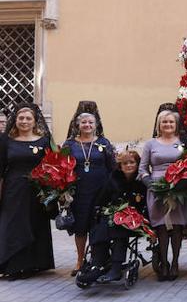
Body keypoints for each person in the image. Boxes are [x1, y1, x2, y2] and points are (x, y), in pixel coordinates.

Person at [0, 104, 54, 279]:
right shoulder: (5, 141)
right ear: (15, 121)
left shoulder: (44, 140)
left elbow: (53, 166)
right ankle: (13, 266)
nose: (24, 121)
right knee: (13, 225)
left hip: (38, 190)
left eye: (28, 118)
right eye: (21, 118)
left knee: (35, 223)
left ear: (34, 121)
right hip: (14, 189)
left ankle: (34, 265)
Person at [80, 150, 147, 284]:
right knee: (101, 225)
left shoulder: (141, 182)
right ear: (120, 166)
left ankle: (116, 268)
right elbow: (101, 199)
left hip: (132, 219)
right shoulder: (113, 179)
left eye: (132, 162)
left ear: (137, 164)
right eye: (125, 163)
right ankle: (97, 265)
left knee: (119, 225)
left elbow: (144, 204)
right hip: (111, 214)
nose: (128, 165)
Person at [64, 103, 116, 276]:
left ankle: (97, 259)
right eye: (84, 122)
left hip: (101, 191)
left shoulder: (103, 143)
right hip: (79, 192)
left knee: (98, 225)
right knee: (80, 227)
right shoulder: (70, 144)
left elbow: (112, 167)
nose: (87, 125)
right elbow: (63, 168)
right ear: (77, 125)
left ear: (96, 125)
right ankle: (80, 260)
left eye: (90, 123)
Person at [139, 110, 187, 281]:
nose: (168, 125)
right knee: (161, 228)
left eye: (171, 122)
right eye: (164, 122)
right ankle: (164, 263)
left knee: (176, 227)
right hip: (157, 190)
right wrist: (150, 183)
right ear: (159, 125)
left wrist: (182, 182)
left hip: (178, 189)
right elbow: (142, 168)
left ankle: (175, 262)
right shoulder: (150, 144)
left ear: (176, 125)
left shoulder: (182, 142)